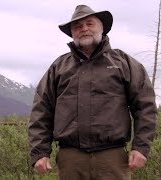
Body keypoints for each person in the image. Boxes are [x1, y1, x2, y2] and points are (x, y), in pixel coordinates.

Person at [28, 4, 157, 180]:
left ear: (102, 27)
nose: (84, 29)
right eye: (78, 26)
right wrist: (40, 151)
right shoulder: (59, 67)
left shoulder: (124, 63)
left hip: (113, 158)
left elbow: (145, 107)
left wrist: (141, 147)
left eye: (90, 24)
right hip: (70, 160)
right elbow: (41, 111)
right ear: (72, 33)